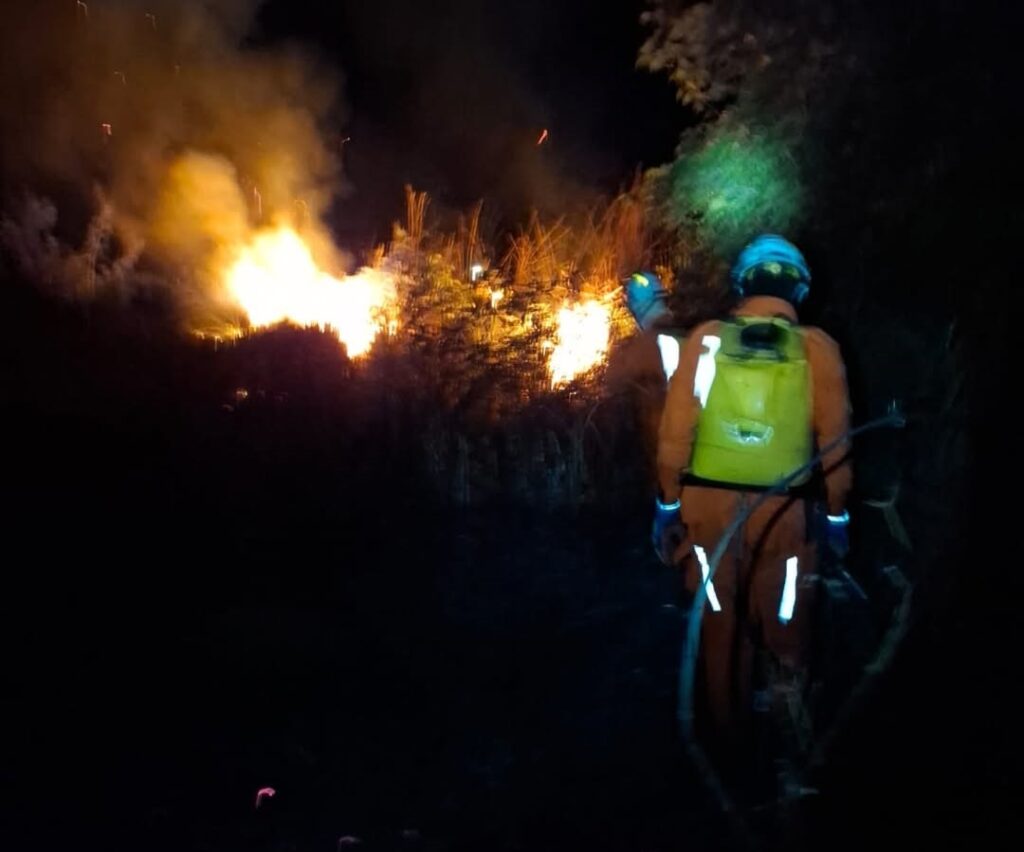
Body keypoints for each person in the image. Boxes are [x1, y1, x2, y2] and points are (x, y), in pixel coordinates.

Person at [637, 235, 853, 765]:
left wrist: (667, 506)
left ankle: (728, 753)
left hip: (706, 516)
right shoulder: (817, 348)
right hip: (786, 515)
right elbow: (837, 446)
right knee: (787, 629)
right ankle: (789, 751)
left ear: (742, 284)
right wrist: (837, 517)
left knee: (717, 626)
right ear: (797, 286)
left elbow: (674, 436)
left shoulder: (707, 339)